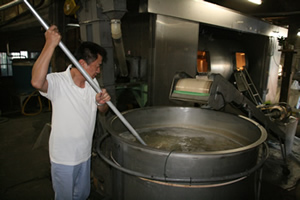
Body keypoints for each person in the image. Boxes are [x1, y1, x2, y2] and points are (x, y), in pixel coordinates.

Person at [31, 25, 111, 200]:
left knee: (82, 194)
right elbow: (37, 82)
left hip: (84, 154)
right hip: (64, 158)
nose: (98, 70)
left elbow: (103, 111)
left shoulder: (93, 83)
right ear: (82, 64)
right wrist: (50, 44)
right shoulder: (58, 82)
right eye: (97, 66)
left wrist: (102, 103)